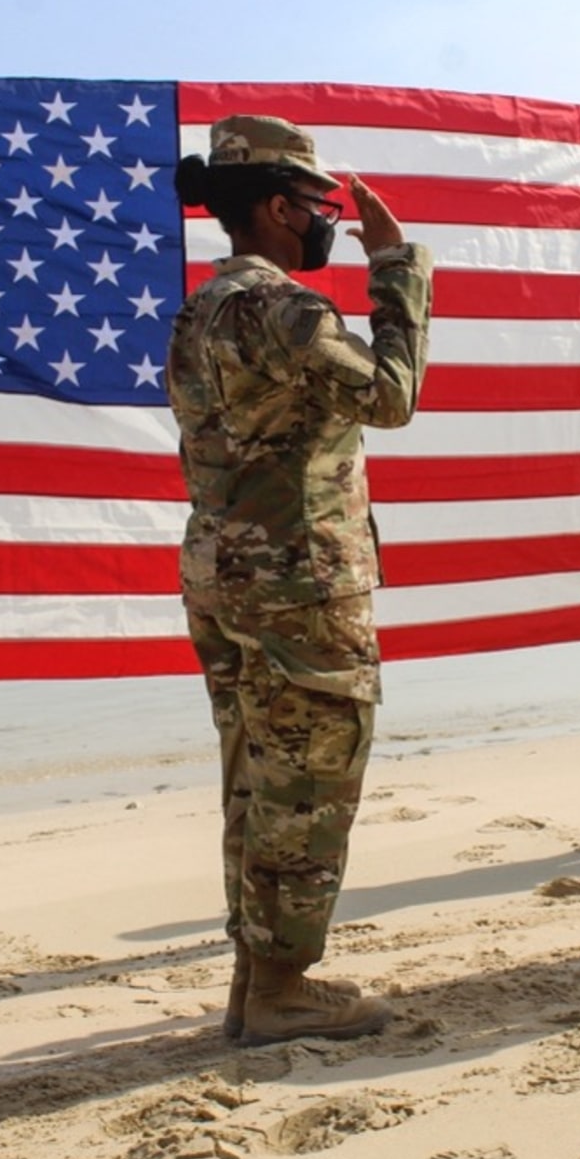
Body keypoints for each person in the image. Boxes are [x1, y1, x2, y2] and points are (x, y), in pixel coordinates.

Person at [166, 116, 432, 1045]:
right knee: (310, 778)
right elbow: (391, 396)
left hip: (226, 576)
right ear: (278, 209)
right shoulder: (283, 309)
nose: (329, 222)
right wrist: (398, 271)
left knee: (255, 777)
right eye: (319, 207)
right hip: (299, 585)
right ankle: (280, 987)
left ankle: (256, 977)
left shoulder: (200, 308)